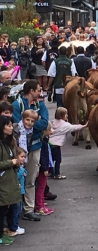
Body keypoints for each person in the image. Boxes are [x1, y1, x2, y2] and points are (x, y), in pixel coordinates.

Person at [12, 80, 49, 222]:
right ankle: (14, 209)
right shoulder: (17, 105)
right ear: (31, 91)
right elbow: (17, 124)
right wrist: (35, 122)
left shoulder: (40, 105)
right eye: (38, 90)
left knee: (31, 179)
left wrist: (30, 123)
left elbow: (44, 123)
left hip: (34, 147)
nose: (40, 93)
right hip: (19, 149)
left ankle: (28, 209)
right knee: (16, 178)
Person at [0, 116, 21, 245]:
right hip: (3, 180)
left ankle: (2, 233)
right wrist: (11, 162)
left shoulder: (7, 141)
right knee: (1, 209)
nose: (11, 128)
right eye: (8, 125)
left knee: (3, 208)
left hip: (8, 179)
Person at [49, 107, 88, 179]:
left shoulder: (52, 122)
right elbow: (74, 127)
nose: (67, 115)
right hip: (57, 145)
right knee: (58, 160)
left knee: (51, 159)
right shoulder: (65, 125)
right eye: (65, 114)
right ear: (61, 115)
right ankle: (57, 174)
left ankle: (51, 172)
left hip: (50, 144)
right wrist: (84, 126)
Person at [4, 147, 27, 237]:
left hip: (20, 191)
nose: (23, 159)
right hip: (16, 191)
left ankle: (14, 225)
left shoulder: (20, 167)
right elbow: (15, 177)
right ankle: (14, 226)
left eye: (24, 157)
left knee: (18, 209)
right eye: (21, 157)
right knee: (15, 210)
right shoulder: (17, 169)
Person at [35, 122, 54, 216]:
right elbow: (44, 157)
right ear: (44, 131)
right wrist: (45, 168)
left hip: (43, 167)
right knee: (40, 187)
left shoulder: (44, 140)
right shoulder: (43, 142)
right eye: (50, 130)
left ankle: (41, 203)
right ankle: (39, 207)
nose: (51, 132)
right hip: (43, 168)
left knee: (40, 187)